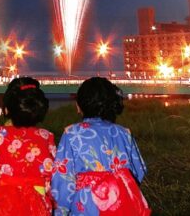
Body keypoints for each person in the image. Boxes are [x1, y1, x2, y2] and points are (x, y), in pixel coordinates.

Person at [51, 77, 151, 215]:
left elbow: (63, 180)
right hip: (122, 204)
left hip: (87, 205)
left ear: (79, 106)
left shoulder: (72, 134)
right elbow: (138, 171)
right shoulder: (124, 133)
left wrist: (59, 211)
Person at [0, 76, 56, 216]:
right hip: (36, 204)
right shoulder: (46, 137)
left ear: (8, 109)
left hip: (1, 204)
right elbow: (51, 176)